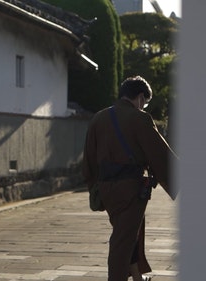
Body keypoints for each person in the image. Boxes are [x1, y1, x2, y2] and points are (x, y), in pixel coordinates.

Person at [82, 76, 178, 281]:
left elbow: (88, 159)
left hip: (106, 189)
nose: (144, 106)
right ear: (141, 97)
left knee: (129, 232)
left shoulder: (98, 118)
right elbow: (158, 153)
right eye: (145, 102)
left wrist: (94, 187)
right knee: (122, 241)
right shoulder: (139, 118)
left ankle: (136, 275)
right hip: (130, 189)